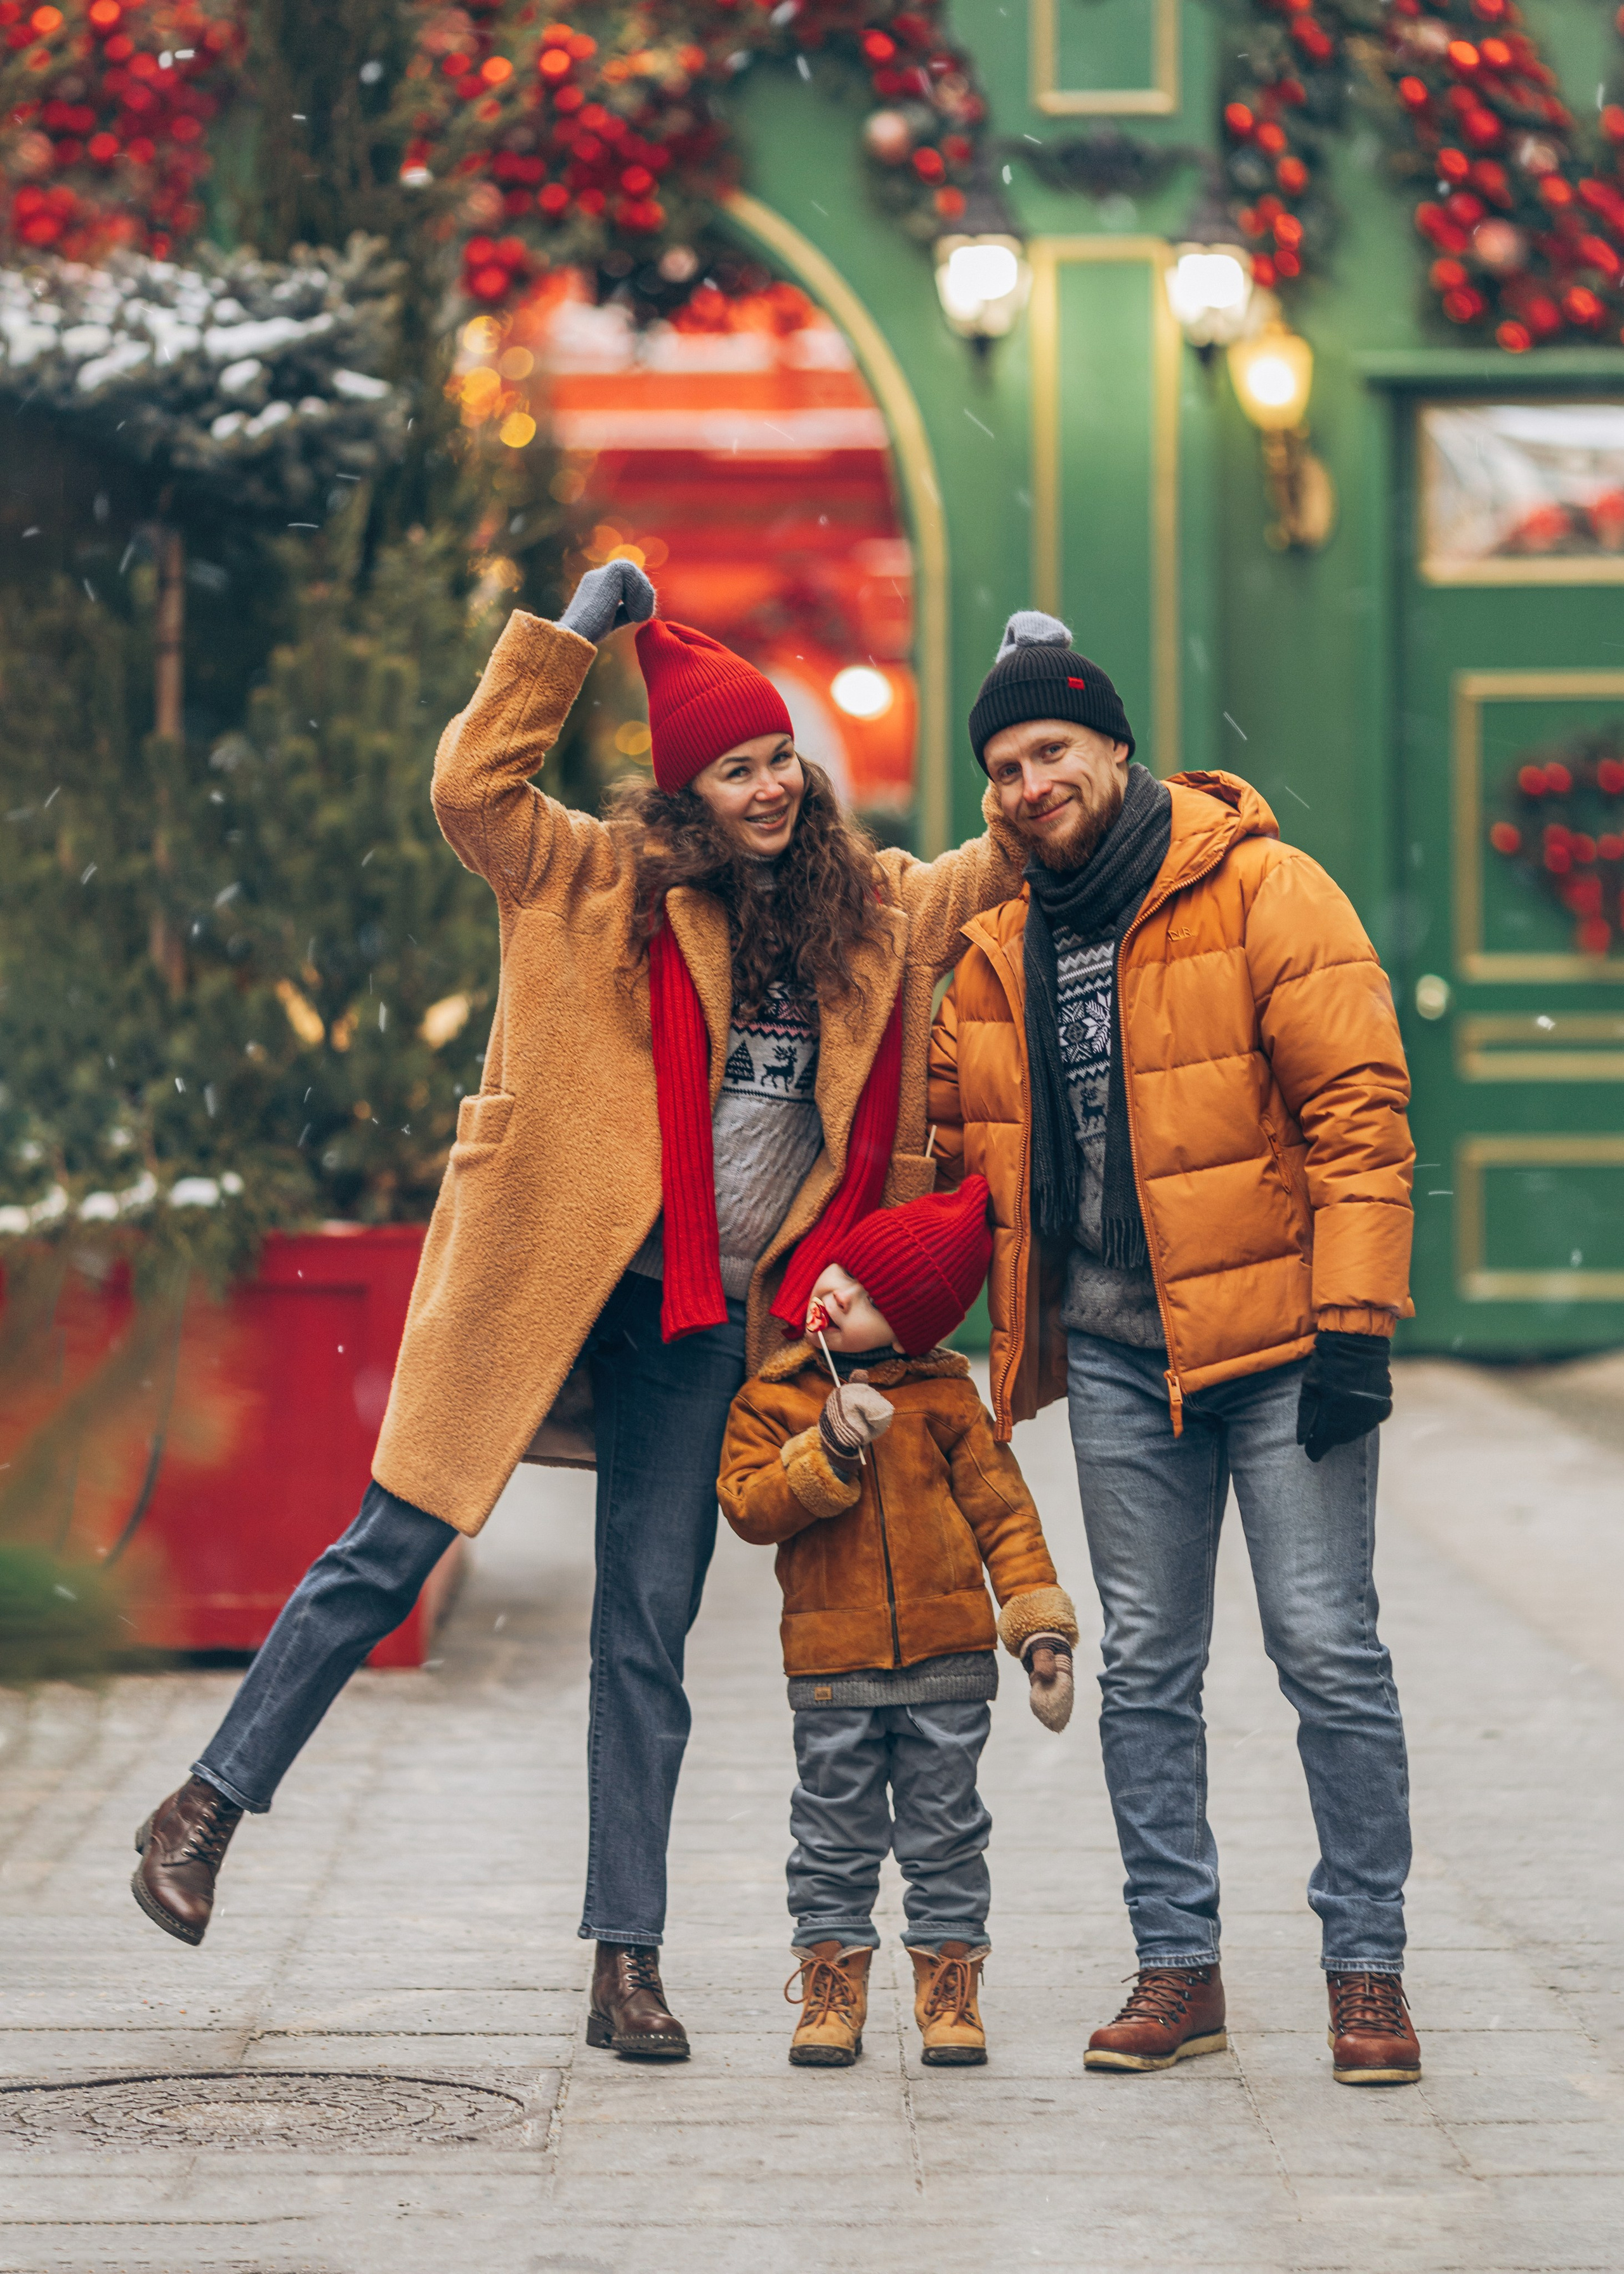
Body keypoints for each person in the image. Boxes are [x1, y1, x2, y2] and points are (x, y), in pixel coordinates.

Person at [129, 559, 1034, 2061]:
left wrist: (1024, 685)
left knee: (646, 1636)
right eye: (734, 769)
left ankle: (627, 1960)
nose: (765, 791)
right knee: (387, 1549)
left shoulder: (855, 913)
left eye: (778, 764)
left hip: (695, 1322)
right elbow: (469, 786)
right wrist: (568, 632)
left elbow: (979, 872)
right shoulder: (584, 878)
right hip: (544, 1276)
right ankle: (204, 1807)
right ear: (686, 787)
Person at [926, 611, 1421, 2087]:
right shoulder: (995, 952)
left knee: (1326, 1653)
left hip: (1279, 1346)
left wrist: (1352, 1325)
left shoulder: (1262, 888)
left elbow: (1357, 1112)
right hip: (1119, 1358)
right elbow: (963, 1160)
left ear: (1115, 747)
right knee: (1143, 1664)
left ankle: (1366, 1972)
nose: (1028, 784)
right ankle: (1175, 1966)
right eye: (1004, 766)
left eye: (1051, 750)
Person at [716, 1177, 1078, 2070]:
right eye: (844, 1272)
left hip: (947, 1664)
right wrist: (829, 1448)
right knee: (831, 1829)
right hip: (832, 1664)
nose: (839, 1294)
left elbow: (1006, 1518)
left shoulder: (949, 1406)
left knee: (945, 1827)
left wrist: (1039, 1630)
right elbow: (748, 1504)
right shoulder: (778, 1397)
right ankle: (832, 1978)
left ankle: (949, 1977)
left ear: (910, 1333)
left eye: (872, 1300)